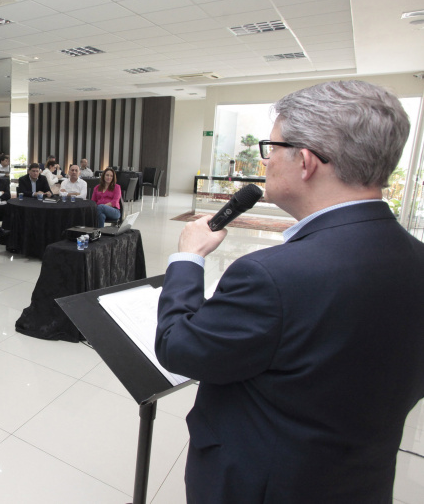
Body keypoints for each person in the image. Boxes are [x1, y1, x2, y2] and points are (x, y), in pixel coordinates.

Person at [155, 80, 424, 503]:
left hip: (261, 485)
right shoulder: (416, 257)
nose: (266, 162)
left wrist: (189, 259)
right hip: (359, 482)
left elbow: (179, 347)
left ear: (305, 161)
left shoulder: (271, 275)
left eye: (272, 149)